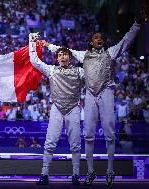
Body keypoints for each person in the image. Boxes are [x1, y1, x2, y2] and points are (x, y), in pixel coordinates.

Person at [40, 12, 143, 186]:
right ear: (91, 41)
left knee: (110, 133)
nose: (99, 39)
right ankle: (90, 171)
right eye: (96, 37)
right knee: (88, 135)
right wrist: (48, 45)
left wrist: (138, 24)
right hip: (90, 94)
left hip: (106, 92)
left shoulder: (110, 52)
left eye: (101, 37)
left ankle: (110, 171)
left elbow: (126, 40)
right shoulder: (83, 55)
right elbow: (65, 50)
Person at [29, 33, 84, 186]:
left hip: (73, 108)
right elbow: (34, 60)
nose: (62, 57)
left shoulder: (79, 71)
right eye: (60, 55)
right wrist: (32, 41)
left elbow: (93, 76)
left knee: (75, 144)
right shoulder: (51, 70)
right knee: (50, 142)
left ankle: (75, 175)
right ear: (57, 58)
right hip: (57, 109)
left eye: (65, 54)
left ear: (70, 57)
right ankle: (44, 175)